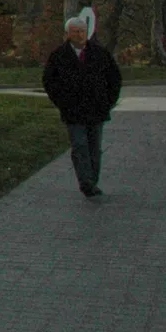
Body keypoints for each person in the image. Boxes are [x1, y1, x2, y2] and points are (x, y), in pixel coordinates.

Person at [41, 15, 122, 198]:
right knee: (79, 146)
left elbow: (114, 79)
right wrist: (62, 102)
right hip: (73, 111)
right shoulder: (59, 56)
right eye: (75, 32)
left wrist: (109, 101)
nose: (79, 35)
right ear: (67, 34)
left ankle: (92, 180)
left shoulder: (100, 54)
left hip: (97, 109)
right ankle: (85, 182)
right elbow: (49, 82)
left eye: (83, 31)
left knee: (94, 147)